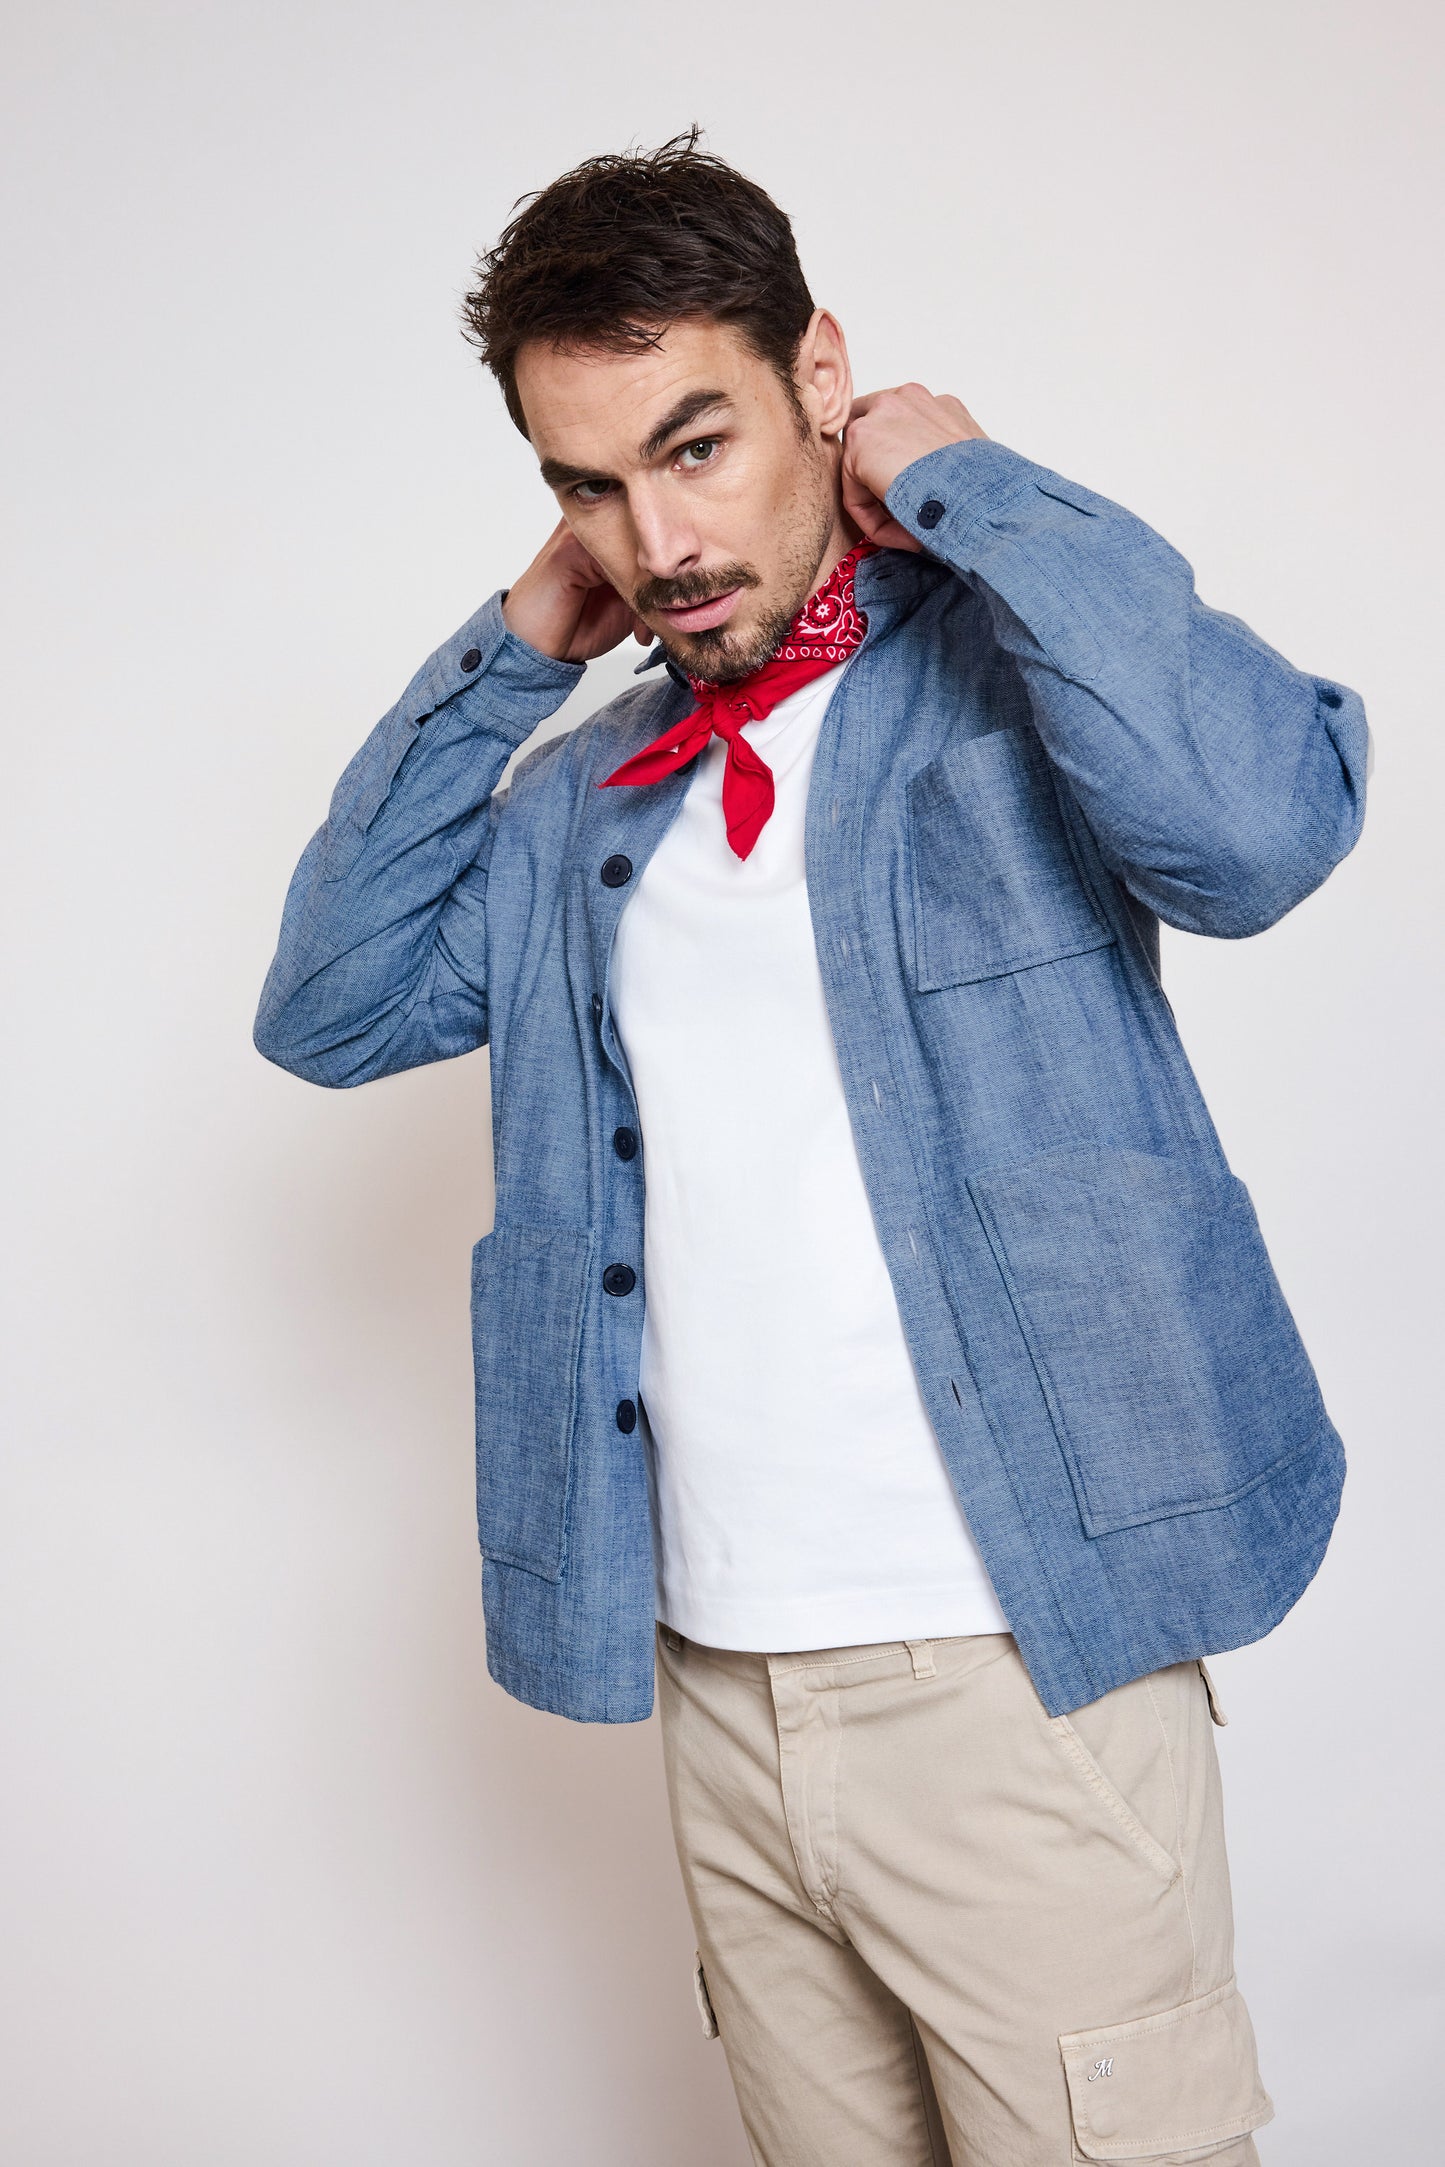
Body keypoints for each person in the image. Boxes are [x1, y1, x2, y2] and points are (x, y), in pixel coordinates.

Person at [254, 133, 1368, 2167]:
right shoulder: (586, 801)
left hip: (1020, 1668)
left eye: (696, 446)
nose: (659, 538)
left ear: (819, 379)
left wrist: (971, 484)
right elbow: (330, 1005)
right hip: (717, 1683)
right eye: (592, 485)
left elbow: (1261, 827)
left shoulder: (1010, 688)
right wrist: (519, 641)